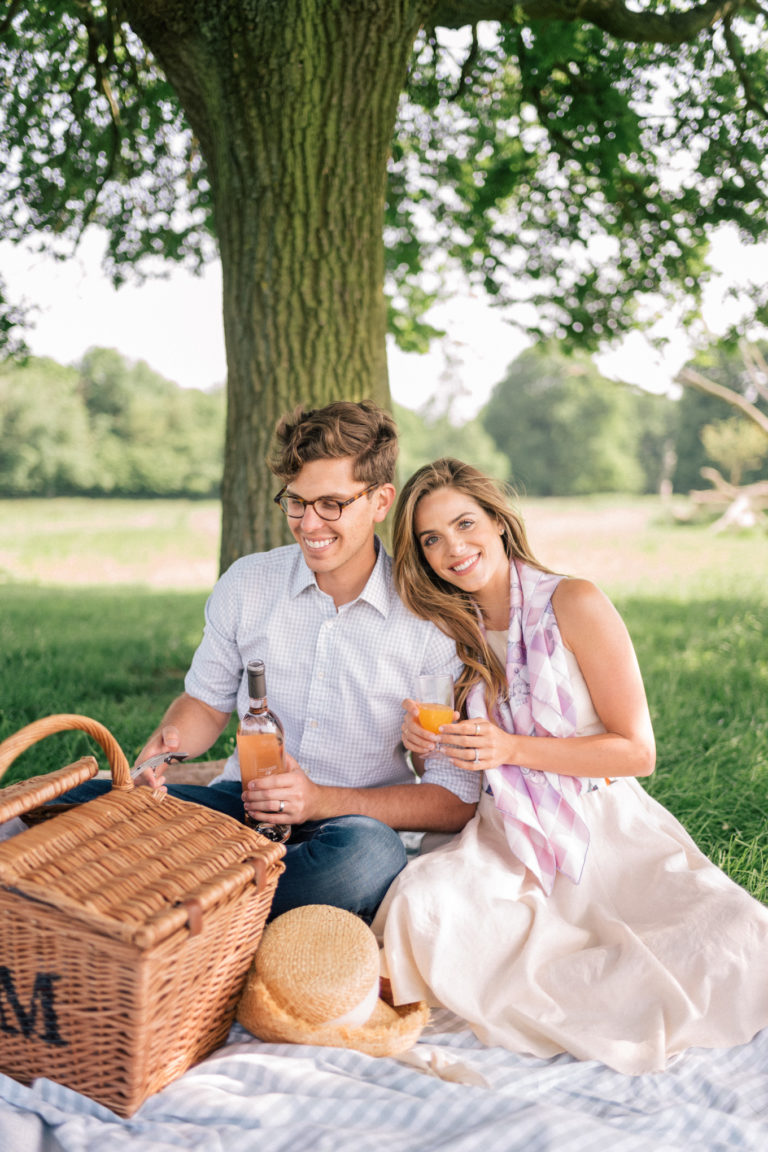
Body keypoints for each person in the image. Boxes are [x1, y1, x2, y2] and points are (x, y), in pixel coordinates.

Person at [372, 457, 768, 1074]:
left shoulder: (575, 601)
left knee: (733, 936)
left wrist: (511, 748)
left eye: (465, 523)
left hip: (604, 823)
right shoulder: (450, 632)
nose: (454, 547)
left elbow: (638, 751)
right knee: (419, 903)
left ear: (499, 522)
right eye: (431, 539)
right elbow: (468, 759)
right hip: (506, 829)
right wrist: (422, 743)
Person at [60, 403, 479, 922]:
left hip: (347, 825)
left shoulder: (429, 620)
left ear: (380, 501)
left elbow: (455, 797)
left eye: (331, 504)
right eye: (296, 502)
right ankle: (213, 898)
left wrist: (318, 800)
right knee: (74, 800)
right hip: (241, 806)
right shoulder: (248, 583)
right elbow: (205, 703)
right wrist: (160, 755)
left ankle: (181, 909)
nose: (308, 524)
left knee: (366, 863)